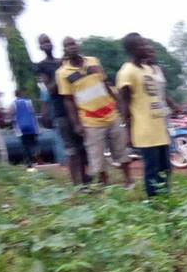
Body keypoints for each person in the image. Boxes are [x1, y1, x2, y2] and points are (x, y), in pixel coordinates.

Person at [56, 36, 133, 188]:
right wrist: (76, 124)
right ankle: (105, 185)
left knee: (121, 149)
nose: (72, 47)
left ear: (78, 46)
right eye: (68, 45)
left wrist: (118, 103)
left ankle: (128, 180)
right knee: (96, 155)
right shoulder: (62, 73)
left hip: (111, 113)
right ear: (65, 50)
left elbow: (105, 84)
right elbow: (68, 100)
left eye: (73, 43)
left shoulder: (93, 61)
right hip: (90, 120)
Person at [118, 33, 173, 197]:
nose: (145, 47)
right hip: (145, 131)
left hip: (159, 128)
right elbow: (124, 104)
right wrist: (127, 131)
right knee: (152, 170)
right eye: (141, 45)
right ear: (132, 49)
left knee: (165, 169)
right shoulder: (127, 72)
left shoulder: (149, 69)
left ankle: (165, 200)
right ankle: (154, 203)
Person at [37, 33, 86, 185]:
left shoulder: (63, 62)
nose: (47, 45)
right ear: (40, 47)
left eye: (48, 41)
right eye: (43, 43)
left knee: (82, 147)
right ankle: (75, 182)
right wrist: (61, 73)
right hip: (61, 111)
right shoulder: (42, 66)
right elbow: (50, 89)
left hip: (77, 107)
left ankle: (85, 179)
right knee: (71, 149)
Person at [10, 89, 39, 169]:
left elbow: (12, 115)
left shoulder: (13, 104)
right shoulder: (28, 102)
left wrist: (12, 125)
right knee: (33, 144)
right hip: (31, 126)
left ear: (15, 95)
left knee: (25, 146)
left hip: (21, 128)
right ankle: (36, 160)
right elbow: (33, 112)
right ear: (22, 94)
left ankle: (29, 164)